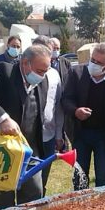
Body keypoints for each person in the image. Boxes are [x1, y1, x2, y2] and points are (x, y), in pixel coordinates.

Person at [0, 44, 52, 209]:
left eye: (45, 71)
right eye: (39, 71)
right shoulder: (4, 71)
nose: (42, 75)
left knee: (34, 197)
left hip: (29, 152)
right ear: (25, 63)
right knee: (2, 204)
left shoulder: (43, 81)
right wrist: (3, 118)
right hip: (2, 154)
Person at [62, 43, 105, 187]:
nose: (93, 64)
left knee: (103, 177)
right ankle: (80, 200)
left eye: (98, 62)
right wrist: (76, 111)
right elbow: (66, 99)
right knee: (79, 176)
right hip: (80, 133)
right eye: (92, 60)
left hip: (104, 136)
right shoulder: (76, 73)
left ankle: (101, 201)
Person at [30, 36, 65, 191]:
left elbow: (58, 106)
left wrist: (58, 135)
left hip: (48, 135)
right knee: (29, 182)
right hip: (28, 137)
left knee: (42, 180)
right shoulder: (24, 73)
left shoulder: (54, 75)